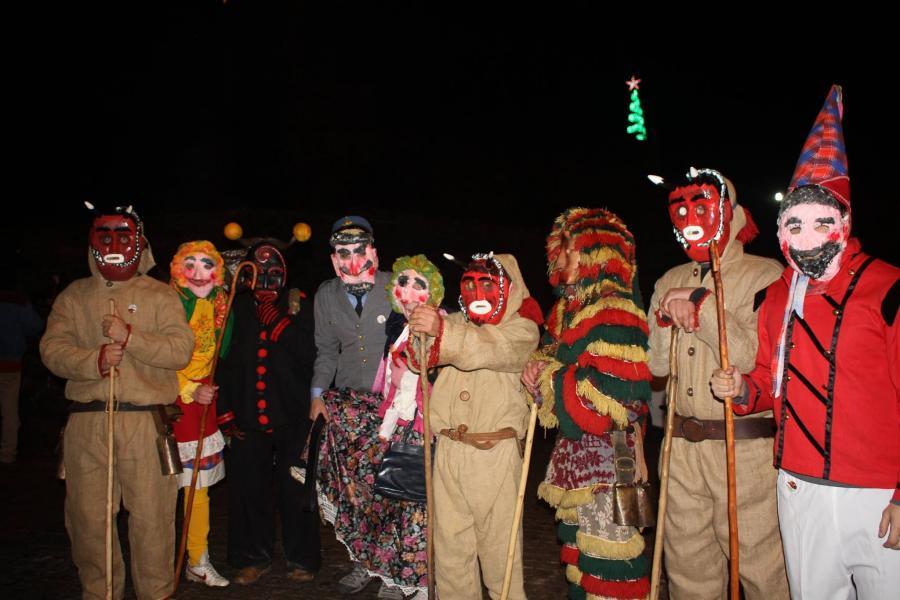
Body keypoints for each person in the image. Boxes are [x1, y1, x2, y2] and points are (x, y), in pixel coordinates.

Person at [711, 85, 899, 599]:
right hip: (799, 486)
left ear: (845, 223)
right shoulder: (776, 296)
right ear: (780, 232)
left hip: (880, 495)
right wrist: (740, 389)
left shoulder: (888, 287)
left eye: (822, 221)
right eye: (795, 223)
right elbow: (770, 384)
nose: (809, 235)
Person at [646, 168, 789, 599]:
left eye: (702, 206)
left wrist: (703, 308)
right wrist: (663, 321)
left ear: (729, 213)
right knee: (689, 570)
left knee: (761, 567)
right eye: (683, 209)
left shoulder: (767, 275)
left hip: (742, 451)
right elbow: (656, 366)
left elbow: (755, 358)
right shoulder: (668, 280)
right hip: (681, 450)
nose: (691, 216)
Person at [40, 204, 194, 599]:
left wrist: (131, 338)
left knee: (153, 521)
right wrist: (91, 360)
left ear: (139, 242)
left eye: (122, 235)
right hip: (88, 425)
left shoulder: (160, 297)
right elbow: (52, 349)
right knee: (89, 522)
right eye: (103, 234)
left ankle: (155, 594)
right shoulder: (74, 296)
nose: (112, 243)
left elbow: (180, 350)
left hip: (146, 425)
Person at [522, 208, 654, 600]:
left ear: (597, 253)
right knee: (580, 563)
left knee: (609, 567)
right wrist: (537, 372)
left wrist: (549, 376)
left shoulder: (615, 309)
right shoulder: (566, 313)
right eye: (559, 250)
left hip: (609, 464)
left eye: (570, 250)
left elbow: (613, 399)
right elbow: (558, 372)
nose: (560, 260)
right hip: (573, 462)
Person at [408, 252, 540, 600]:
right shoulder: (454, 322)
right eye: (470, 285)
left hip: (493, 456)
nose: (478, 294)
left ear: (508, 289)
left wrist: (442, 332)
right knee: (451, 558)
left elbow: (490, 349)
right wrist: (419, 332)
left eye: (488, 284)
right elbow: (418, 358)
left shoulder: (523, 330)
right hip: (449, 452)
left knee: (501, 558)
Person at [317, 255, 444, 600]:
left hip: (423, 428)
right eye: (403, 282)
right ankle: (390, 572)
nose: (409, 290)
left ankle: (417, 583)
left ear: (434, 291)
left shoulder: (439, 325)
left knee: (416, 507)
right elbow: (385, 382)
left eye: (420, 284)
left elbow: (442, 381)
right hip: (396, 423)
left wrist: (417, 385)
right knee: (390, 503)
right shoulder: (398, 327)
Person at [216, 240, 321, 585]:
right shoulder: (236, 306)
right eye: (259, 271)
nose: (267, 277)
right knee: (248, 488)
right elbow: (223, 361)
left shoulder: (299, 304)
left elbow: (314, 356)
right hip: (247, 414)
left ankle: (302, 557)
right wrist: (225, 409)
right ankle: (250, 557)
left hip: (293, 414)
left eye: (274, 270)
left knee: (297, 488)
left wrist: (280, 325)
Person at [308, 215, 394, 596]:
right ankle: (362, 563)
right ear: (334, 256)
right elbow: (326, 350)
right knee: (357, 492)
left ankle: (394, 573)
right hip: (348, 406)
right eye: (343, 251)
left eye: (360, 249)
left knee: (394, 491)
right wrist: (317, 395)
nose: (352, 257)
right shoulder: (326, 294)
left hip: (394, 406)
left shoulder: (397, 285)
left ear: (372, 250)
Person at [168, 240, 234, 587]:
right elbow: (155, 356)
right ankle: (160, 560)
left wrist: (202, 389)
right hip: (167, 402)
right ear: (178, 268)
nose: (197, 273)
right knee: (162, 488)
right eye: (189, 264)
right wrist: (188, 389)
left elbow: (216, 354)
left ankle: (197, 558)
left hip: (202, 404)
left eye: (206, 264)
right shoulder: (167, 302)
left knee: (198, 489)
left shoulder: (221, 303)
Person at [0, 280, 43, 464]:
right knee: (9, 411)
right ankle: (7, 453)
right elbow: (36, 326)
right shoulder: (18, 303)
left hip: (10, 363)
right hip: (10, 363)